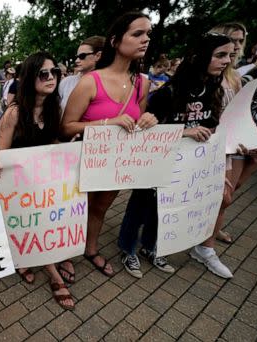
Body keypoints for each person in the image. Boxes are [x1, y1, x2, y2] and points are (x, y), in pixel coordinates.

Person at [118, 32, 234, 278]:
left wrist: (217, 169)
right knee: (140, 206)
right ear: (200, 57)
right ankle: (128, 250)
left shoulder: (214, 91)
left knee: (164, 209)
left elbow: (211, 131)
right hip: (155, 162)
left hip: (186, 169)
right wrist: (185, 131)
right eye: (220, 55)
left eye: (230, 55)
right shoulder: (168, 93)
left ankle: (151, 247)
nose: (226, 61)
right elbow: (147, 130)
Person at [61, 12, 157, 278]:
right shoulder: (91, 81)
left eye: (148, 34)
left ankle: (90, 249)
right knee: (77, 207)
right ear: (116, 41)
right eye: (137, 34)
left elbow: (135, 124)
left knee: (101, 207)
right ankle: (64, 253)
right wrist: (108, 122)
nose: (145, 40)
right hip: (85, 159)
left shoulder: (142, 83)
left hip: (116, 163)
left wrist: (148, 120)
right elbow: (67, 126)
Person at [0, 51, 74, 309]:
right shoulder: (14, 113)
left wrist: (67, 152)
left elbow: (51, 145)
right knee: (29, 224)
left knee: (41, 223)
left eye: (55, 72)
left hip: (43, 180)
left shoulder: (54, 108)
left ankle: (28, 260)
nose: (51, 77)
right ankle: (54, 275)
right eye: (44, 73)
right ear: (30, 78)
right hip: (19, 183)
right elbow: (2, 154)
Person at [207, 23, 245, 244]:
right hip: (211, 142)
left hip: (231, 145)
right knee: (219, 194)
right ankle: (204, 240)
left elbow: (239, 112)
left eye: (241, 41)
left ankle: (209, 238)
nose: (238, 46)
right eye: (233, 41)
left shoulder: (235, 78)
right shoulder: (209, 76)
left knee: (226, 197)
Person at [58, 35, 105, 111]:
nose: (77, 61)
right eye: (77, 56)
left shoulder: (109, 83)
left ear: (98, 55)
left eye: (82, 56)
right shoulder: (66, 83)